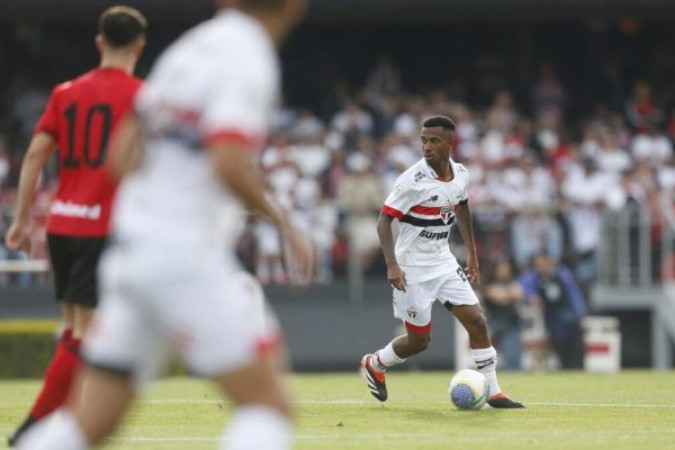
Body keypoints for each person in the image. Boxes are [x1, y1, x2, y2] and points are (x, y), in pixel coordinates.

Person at [16, 0, 310, 449]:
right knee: (267, 406)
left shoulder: (187, 50)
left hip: (129, 252)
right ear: (294, 6)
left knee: (88, 425)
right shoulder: (250, 56)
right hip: (184, 256)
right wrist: (284, 223)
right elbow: (228, 160)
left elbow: (122, 155)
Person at [5, 6, 147, 446]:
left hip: (63, 224)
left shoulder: (66, 92)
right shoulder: (142, 96)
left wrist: (22, 218)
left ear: (100, 43)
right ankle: (36, 426)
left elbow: (34, 155)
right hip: (101, 228)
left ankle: (58, 421)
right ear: (139, 46)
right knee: (89, 333)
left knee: (72, 328)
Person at [360, 115, 524, 408]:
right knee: (419, 342)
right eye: (423, 140)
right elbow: (384, 223)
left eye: (434, 140)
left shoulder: (461, 173)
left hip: (444, 263)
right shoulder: (412, 180)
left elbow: (462, 208)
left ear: (450, 142)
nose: (427, 146)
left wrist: (472, 253)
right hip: (411, 269)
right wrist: (392, 265)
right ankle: (375, 363)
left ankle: (495, 391)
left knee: (477, 321)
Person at [519, 252, 587, 369]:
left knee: (577, 348)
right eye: (538, 265)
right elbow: (522, 287)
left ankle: (579, 370)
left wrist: (580, 311)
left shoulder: (562, 274)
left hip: (570, 317)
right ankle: (567, 370)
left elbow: (573, 293)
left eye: (542, 263)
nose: (541, 267)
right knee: (562, 351)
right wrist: (531, 297)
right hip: (553, 320)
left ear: (549, 262)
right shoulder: (534, 278)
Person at [482, 258, 524, 371]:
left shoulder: (511, 281)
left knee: (515, 352)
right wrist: (509, 295)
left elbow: (518, 294)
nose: (505, 271)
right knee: (510, 352)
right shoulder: (490, 284)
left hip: (513, 322)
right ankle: (512, 371)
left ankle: (514, 371)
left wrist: (506, 295)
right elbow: (496, 296)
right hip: (498, 324)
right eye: (502, 268)